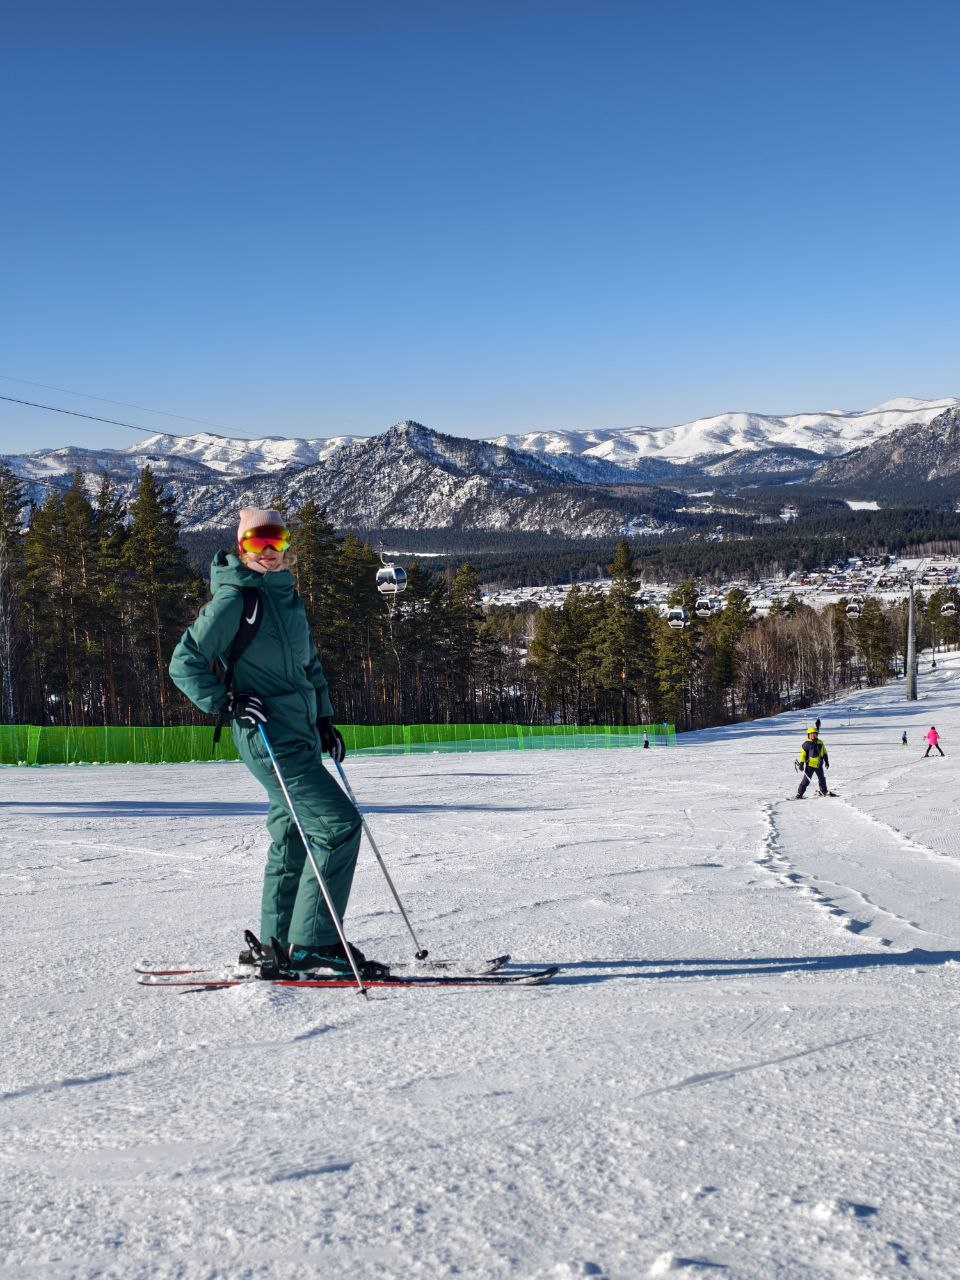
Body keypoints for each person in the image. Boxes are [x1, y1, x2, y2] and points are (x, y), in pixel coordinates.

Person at [169, 508, 380, 975]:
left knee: (293, 837)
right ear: (242, 547)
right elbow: (184, 662)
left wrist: (325, 720)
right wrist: (225, 701)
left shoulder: (288, 599)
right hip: (267, 736)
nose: (268, 551)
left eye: (276, 541)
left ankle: (278, 942)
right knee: (338, 826)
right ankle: (316, 943)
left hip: (300, 733)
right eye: (258, 542)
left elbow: (310, 667)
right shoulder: (234, 601)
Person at [795, 725, 831, 798]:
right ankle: (799, 794)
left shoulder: (820, 742)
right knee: (806, 780)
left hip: (819, 765)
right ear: (808, 735)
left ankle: (824, 791)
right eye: (811, 734)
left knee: (822, 779)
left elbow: (824, 752)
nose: (813, 736)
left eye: (815, 734)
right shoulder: (806, 744)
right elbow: (802, 755)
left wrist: (826, 761)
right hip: (810, 765)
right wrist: (801, 764)